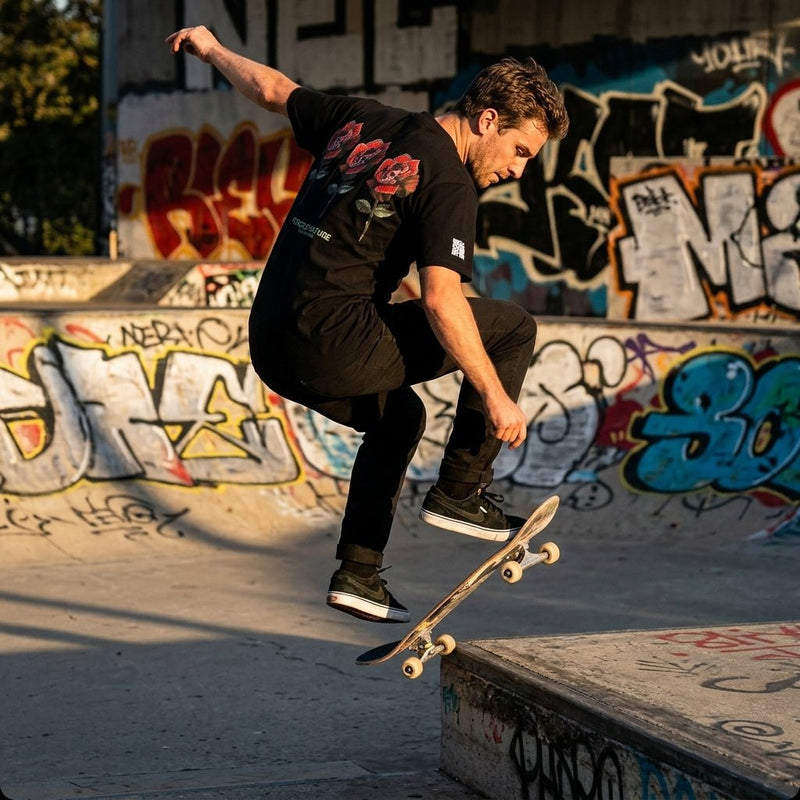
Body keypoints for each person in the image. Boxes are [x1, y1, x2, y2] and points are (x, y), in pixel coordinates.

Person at [166, 25, 569, 624]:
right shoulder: (449, 181)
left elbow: (275, 90)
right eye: (520, 152)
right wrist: (494, 397)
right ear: (487, 120)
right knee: (510, 329)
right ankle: (461, 489)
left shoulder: (362, 120)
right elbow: (441, 300)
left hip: (273, 342)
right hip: (334, 344)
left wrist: (213, 48)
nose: (519, 170)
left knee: (399, 416)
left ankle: (357, 572)